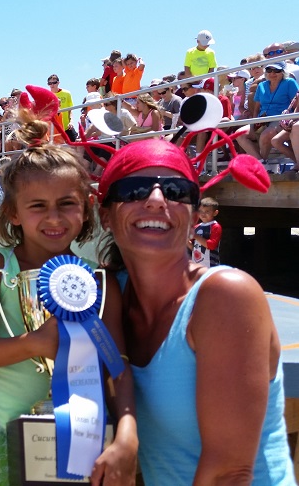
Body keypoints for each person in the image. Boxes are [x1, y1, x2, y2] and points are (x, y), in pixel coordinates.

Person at [0, 100, 137, 485]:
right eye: (37, 206)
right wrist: (35, 343)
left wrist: (126, 429)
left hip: (87, 442)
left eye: (67, 204)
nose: (54, 218)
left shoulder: (101, 282)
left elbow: (117, 365)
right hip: (10, 435)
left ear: (86, 210)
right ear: (13, 212)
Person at [97, 138, 293, 483]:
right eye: (134, 189)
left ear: (192, 216)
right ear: (105, 215)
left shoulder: (225, 296)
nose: (157, 200)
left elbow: (229, 473)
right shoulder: (108, 294)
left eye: (176, 191)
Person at [235, 62, 299, 161]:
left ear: (283, 72)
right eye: (269, 70)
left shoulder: (289, 82)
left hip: (280, 119)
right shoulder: (262, 85)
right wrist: (254, 121)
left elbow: (296, 103)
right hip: (263, 119)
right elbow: (257, 107)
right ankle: (261, 162)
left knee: (266, 135)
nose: (272, 73)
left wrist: (293, 120)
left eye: (276, 70)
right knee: (240, 134)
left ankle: (263, 165)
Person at [190, 197, 222, 268]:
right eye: (201, 211)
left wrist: (194, 235)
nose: (203, 214)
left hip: (211, 266)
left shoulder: (215, 226)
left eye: (207, 211)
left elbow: (211, 245)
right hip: (196, 265)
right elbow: (193, 248)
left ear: (215, 213)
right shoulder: (196, 227)